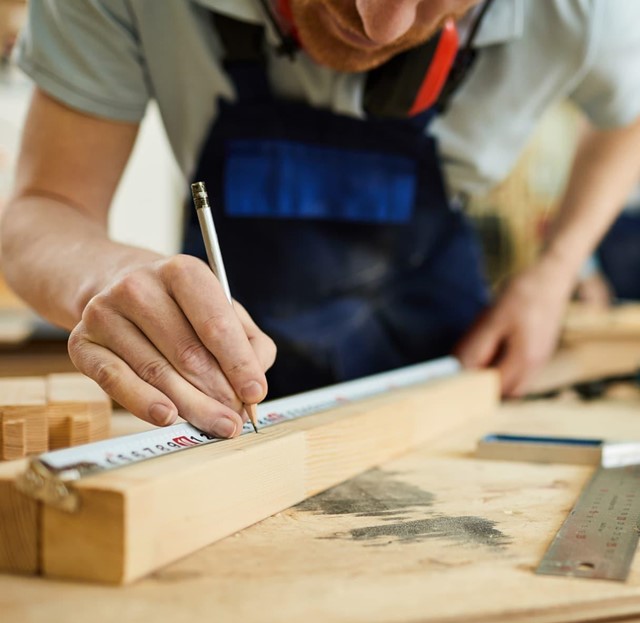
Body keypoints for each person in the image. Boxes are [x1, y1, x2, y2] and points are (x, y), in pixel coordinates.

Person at [2, 0, 640, 439]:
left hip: (445, 392)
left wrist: (555, 272)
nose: (382, 25)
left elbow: (629, 118)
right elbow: (44, 211)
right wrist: (105, 274)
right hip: (217, 411)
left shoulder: (588, 12)